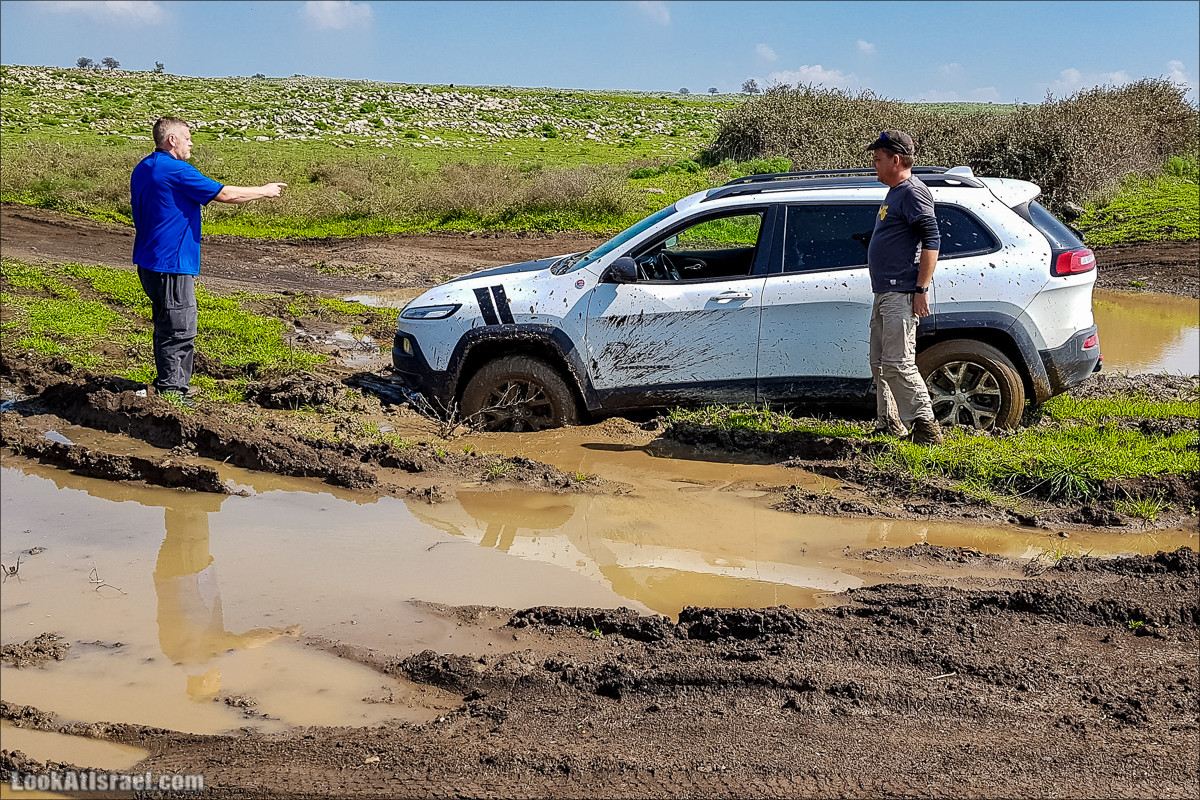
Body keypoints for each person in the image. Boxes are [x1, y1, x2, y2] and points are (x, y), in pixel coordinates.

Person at [131, 117, 287, 400]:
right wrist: (264, 191)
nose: (191, 143)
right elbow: (225, 195)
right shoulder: (176, 170)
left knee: (166, 323)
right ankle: (173, 391)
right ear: (172, 140)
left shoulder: (144, 167)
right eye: (187, 137)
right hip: (172, 264)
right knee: (180, 328)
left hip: (149, 262)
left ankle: (171, 382)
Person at [864, 129, 944, 445]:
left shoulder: (913, 192)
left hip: (901, 292)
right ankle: (891, 423)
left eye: (879, 159)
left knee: (898, 363)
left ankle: (926, 428)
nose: (874, 165)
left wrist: (921, 289)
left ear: (896, 160)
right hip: (885, 291)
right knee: (880, 364)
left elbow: (932, 239)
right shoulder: (895, 192)